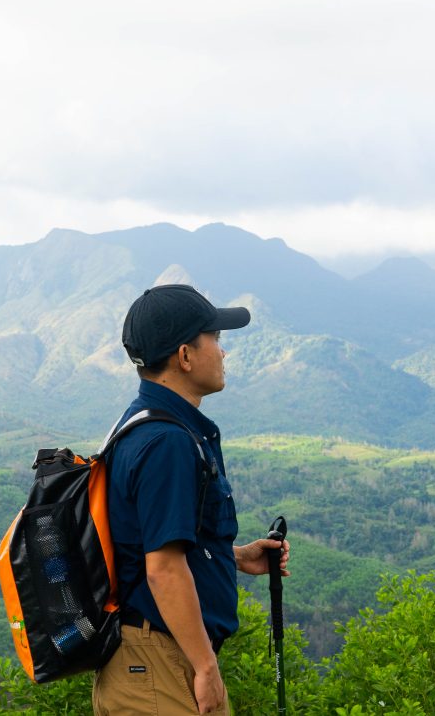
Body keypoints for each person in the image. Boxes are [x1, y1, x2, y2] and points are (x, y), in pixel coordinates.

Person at [93, 284, 290, 716]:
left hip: (152, 660)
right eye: (215, 338)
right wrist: (205, 666)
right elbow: (162, 569)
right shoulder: (167, 441)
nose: (223, 351)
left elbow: (149, 544)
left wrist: (233, 556)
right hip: (160, 666)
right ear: (184, 356)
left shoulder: (142, 424)